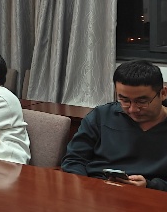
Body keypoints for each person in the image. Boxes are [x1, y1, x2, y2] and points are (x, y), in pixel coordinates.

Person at [61, 60, 167, 190]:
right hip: (95, 188)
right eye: (124, 100)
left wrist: (151, 185)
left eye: (142, 101)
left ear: (163, 93)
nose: (133, 109)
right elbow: (74, 160)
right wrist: (83, 187)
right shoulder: (101, 115)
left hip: (151, 195)